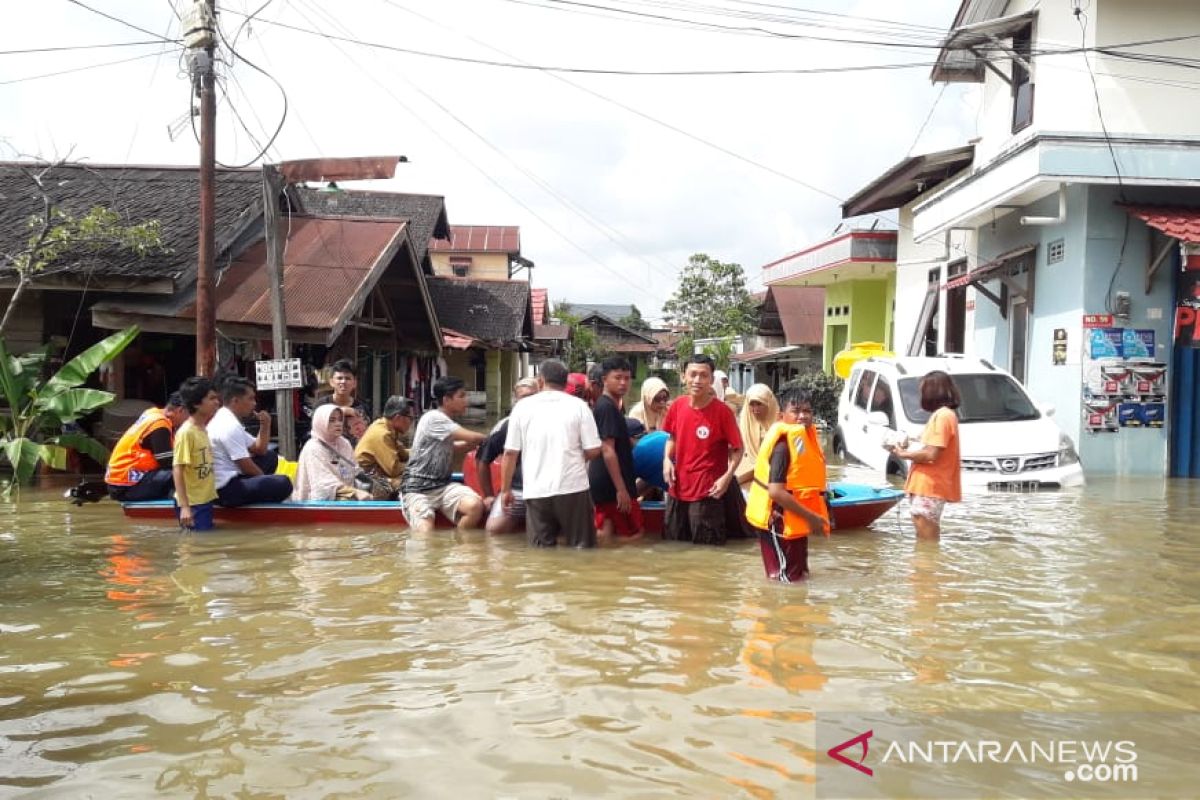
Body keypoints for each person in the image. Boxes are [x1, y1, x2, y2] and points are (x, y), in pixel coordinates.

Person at [501, 359, 602, 548]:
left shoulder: (522, 407)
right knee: (582, 548)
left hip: (536, 490)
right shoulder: (580, 406)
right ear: (566, 383)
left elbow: (510, 453)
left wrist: (505, 490)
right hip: (573, 488)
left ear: (540, 381)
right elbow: (594, 450)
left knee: (541, 552)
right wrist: (575, 457)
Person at [744, 387, 830, 582]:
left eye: (807, 411)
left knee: (799, 574)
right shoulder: (783, 446)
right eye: (796, 411)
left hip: (796, 518)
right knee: (784, 581)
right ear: (782, 415)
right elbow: (775, 492)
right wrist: (812, 518)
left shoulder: (805, 440)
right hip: (778, 520)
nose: (802, 416)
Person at [661, 354, 747, 545]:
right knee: (672, 544)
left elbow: (738, 449)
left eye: (703, 375)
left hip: (707, 491)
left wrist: (727, 477)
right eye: (693, 374)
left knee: (707, 550)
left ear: (712, 380)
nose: (697, 380)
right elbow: (672, 437)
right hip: (678, 487)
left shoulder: (723, 412)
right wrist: (667, 459)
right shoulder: (677, 406)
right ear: (684, 376)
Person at [399, 376, 488, 532]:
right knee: (425, 531)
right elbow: (473, 437)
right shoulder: (434, 418)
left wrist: (473, 445)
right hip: (417, 489)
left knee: (474, 506)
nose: (466, 400)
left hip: (443, 486)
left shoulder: (445, 421)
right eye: (461, 396)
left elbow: (452, 447)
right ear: (446, 400)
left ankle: (458, 545)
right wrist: (494, 439)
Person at [885, 370, 962, 540]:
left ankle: (925, 568)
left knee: (926, 542)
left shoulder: (943, 416)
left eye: (923, 390)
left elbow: (931, 453)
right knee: (926, 540)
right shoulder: (943, 416)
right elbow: (929, 446)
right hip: (928, 486)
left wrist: (903, 454)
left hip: (930, 487)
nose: (920, 395)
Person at [209, 377, 293, 507]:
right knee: (284, 483)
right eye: (250, 399)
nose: (254, 403)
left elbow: (260, 449)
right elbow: (245, 465)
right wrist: (265, 480)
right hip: (224, 489)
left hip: (234, 477)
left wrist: (265, 426)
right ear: (235, 401)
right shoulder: (228, 425)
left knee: (270, 457)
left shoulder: (227, 418)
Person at [589, 357, 642, 539]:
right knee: (633, 534)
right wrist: (621, 489)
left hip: (606, 480)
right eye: (617, 377)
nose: (623, 383)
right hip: (611, 482)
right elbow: (607, 449)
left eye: (627, 378)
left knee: (608, 529)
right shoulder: (606, 407)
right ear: (604, 379)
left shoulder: (612, 406)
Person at [477, 377, 539, 533]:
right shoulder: (506, 425)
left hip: (545, 490)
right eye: (523, 397)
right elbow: (482, 459)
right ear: (516, 399)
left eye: (532, 396)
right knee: (494, 530)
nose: (528, 402)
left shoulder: (552, 421)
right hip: (516, 490)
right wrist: (489, 495)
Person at [105, 393, 189, 501]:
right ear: (181, 410)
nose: (188, 421)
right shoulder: (160, 424)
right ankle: (178, 503)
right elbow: (166, 461)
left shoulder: (153, 413)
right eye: (189, 415)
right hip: (127, 486)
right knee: (185, 474)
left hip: (119, 482)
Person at [292, 405, 372, 501]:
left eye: (340, 420)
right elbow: (323, 484)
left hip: (349, 496)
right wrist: (353, 492)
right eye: (332, 420)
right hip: (316, 503)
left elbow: (355, 470)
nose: (338, 424)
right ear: (321, 422)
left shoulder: (344, 443)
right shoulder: (313, 447)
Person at [172, 376, 222, 531]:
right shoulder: (186, 433)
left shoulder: (202, 429)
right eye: (211, 398)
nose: (217, 402)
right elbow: (178, 469)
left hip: (204, 499)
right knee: (195, 547)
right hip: (193, 503)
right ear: (196, 404)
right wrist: (185, 507)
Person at [354, 395, 415, 497]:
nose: (411, 422)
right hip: (368, 482)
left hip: (379, 477)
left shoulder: (388, 427)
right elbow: (393, 470)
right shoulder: (382, 433)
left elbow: (403, 454)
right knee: (415, 484)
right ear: (398, 418)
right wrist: (418, 466)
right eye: (411, 418)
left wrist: (423, 453)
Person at [735, 383, 780, 492]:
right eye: (752, 404)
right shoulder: (741, 427)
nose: (755, 409)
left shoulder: (780, 426)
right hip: (745, 483)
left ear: (769, 403)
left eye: (759, 404)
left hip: (773, 482)